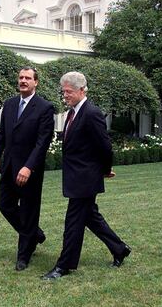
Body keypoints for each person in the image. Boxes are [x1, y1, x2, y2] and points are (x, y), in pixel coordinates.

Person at [42, 71, 131, 280]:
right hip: (77, 177)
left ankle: (63, 266)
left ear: (82, 90)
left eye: (69, 92)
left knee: (72, 224)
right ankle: (119, 248)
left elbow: (105, 146)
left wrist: (105, 169)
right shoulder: (73, 112)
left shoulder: (91, 113)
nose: (65, 96)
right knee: (91, 218)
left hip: (85, 179)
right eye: (63, 92)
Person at [0, 67, 55, 271]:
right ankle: (34, 234)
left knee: (28, 212)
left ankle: (24, 255)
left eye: (28, 78)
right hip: (9, 167)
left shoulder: (44, 107)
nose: (23, 81)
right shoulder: (9, 105)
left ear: (36, 82)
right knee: (4, 205)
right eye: (20, 77)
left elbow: (43, 142)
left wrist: (28, 167)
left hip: (30, 170)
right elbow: (2, 134)